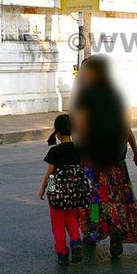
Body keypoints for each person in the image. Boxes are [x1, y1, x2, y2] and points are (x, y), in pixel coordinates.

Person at [71, 55, 137, 257]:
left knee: (93, 200)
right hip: (116, 161)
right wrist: (136, 152)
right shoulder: (116, 95)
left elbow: (82, 128)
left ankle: (93, 232)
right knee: (116, 200)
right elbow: (126, 127)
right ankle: (115, 233)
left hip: (93, 161)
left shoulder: (86, 96)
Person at [39, 114, 84, 265]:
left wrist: (44, 189)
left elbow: (50, 174)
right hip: (74, 194)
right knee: (72, 219)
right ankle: (76, 241)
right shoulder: (78, 149)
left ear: (57, 133)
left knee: (57, 224)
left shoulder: (55, 151)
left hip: (57, 195)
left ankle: (62, 253)